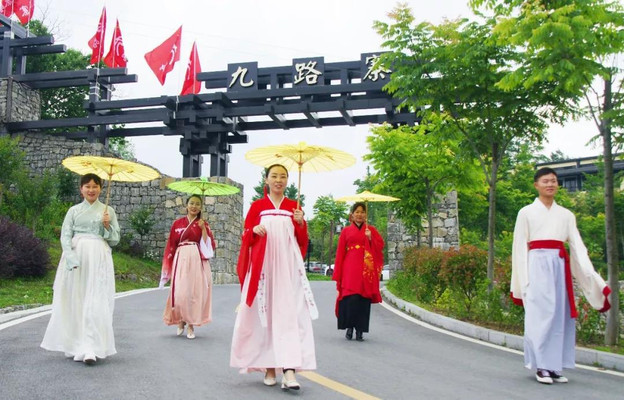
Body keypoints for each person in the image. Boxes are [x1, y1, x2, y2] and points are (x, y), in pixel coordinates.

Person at [511, 167, 611, 384]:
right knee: (539, 315)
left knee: (559, 316)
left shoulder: (566, 215)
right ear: (536, 185)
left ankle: (554, 366)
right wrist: (523, 280)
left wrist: (591, 275)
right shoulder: (526, 212)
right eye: (546, 181)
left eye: (554, 181)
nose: (550, 184)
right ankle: (540, 366)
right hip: (536, 265)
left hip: (559, 266)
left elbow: (577, 246)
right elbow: (519, 247)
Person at [230, 164, 318, 391]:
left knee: (289, 315)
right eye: (274, 176)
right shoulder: (257, 206)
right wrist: (254, 231)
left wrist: (300, 223)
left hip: (288, 270)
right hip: (264, 269)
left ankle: (289, 371)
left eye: (283, 176)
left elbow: (302, 241)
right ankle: (269, 367)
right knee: (266, 314)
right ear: (266, 180)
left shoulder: (294, 207)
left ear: (288, 181)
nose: (279, 180)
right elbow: (246, 234)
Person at [41, 173, 120, 365]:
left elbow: (115, 239)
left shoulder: (108, 211)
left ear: (101, 188)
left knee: (95, 299)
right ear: (81, 189)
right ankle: (77, 343)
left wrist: (107, 227)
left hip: (98, 257)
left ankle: (91, 346)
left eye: (95, 186)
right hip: (77, 257)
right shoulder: (74, 211)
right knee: (76, 298)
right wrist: (69, 256)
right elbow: (65, 235)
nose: (91, 190)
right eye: (87, 186)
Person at [160, 194, 216, 340]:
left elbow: (209, 246)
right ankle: (181, 319)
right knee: (180, 293)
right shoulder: (177, 224)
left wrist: (204, 230)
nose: (194, 206)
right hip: (181, 258)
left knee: (193, 293)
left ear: (201, 207)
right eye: (191, 203)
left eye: (198, 204)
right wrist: (168, 264)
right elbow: (171, 245)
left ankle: (190, 324)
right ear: (186, 205)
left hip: (196, 258)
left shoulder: (203, 224)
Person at [332, 202, 384, 342]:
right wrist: (338, 272)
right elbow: (340, 252)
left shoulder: (371, 230)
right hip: (349, 267)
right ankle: (350, 327)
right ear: (352, 214)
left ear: (366, 215)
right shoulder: (346, 231)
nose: (359, 214)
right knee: (351, 298)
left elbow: (380, 246)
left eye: (362, 212)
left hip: (366, 268)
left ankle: (360, 330)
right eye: (357, 212)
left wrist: (370, 238)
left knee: (363, 299)